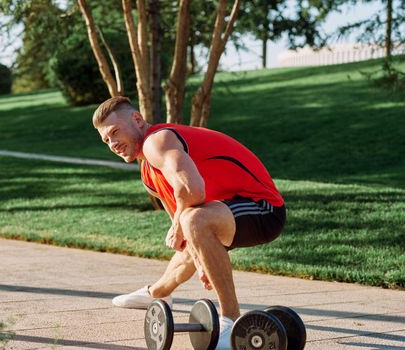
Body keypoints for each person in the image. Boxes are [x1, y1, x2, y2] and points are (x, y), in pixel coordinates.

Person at [93, 96, 286, 349]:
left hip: (263, 208)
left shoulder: (157, 141)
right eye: (106, 140)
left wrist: (181, 227)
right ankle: (157, 293)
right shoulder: (148, 174)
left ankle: (230, 320)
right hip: (224, 213)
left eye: (115, 132)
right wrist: (200, 259)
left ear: (137, 119)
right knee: (190, 228)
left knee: (193, 219)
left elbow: (193, 192)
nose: (113, 144)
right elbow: (186, 234)